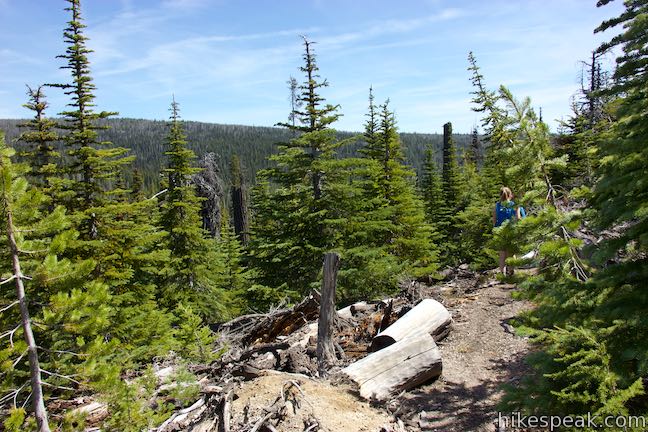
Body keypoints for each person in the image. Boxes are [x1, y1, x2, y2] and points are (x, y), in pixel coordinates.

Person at [493, 186, 522, 275]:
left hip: (500, 231)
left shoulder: (497, 206)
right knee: (510, 253)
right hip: (511, 231)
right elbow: (518, 218)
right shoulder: (514, 205)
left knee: (502, 254)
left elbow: (494, 220)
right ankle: (510, 271)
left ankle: (502, 273)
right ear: (510, 195)